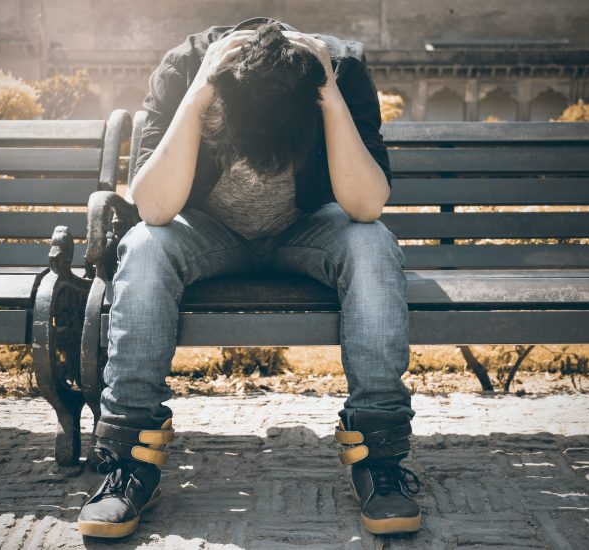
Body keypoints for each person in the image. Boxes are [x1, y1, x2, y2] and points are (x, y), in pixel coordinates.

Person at [77, 16, 420, 539]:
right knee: (144, 247)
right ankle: (127, 461)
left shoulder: (341, 71)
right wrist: (197, 97)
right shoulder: (184, 68)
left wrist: (327, 97)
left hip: (308, 228)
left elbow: (366, 205)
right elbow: (153, 206)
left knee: (372, 244)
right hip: (208, 231)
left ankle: (379, 457)